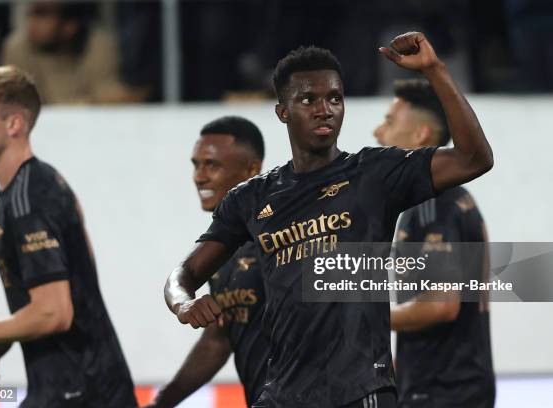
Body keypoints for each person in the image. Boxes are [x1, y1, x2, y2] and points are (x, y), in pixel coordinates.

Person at [164, 31, 493, 408]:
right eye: (309, 99)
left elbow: (474, 158)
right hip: (283, 394)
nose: (325, 109)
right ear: (282, 111)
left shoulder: (374, 174)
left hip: (360, 392)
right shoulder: (251, 198)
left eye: (334, 98)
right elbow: (183, 276)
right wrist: (183, 303)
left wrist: (434, 70)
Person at [0, 65, 137, 408]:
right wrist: (8, 334)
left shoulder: (26, 199)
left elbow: (55, 312)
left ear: (14, 124)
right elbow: (75, 286)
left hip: (79, 392)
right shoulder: (36, 184)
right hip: (89, 386)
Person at [374, 79, 495, 407]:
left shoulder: (431, 204)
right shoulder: (459, 198)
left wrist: (366, 317)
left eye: (389, 121)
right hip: (461, 384)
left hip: (441, 389)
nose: (377, 132)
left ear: (420, 135)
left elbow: (440, 304)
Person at [147, 116, 269, 407]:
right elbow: (219, 339)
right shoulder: (222, 251)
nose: (199, 176)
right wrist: (161, 403)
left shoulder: (288, 233)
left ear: (251, 170)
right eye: (196, 164)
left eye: (212, 165)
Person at [1, 1, 145, 104]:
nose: (32, 23)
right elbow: (20, 106)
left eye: (42, 15)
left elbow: (111, 99)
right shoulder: (17, 48)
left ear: (70, 25)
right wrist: (88, 103)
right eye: (32, 14)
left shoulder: (99, 45)